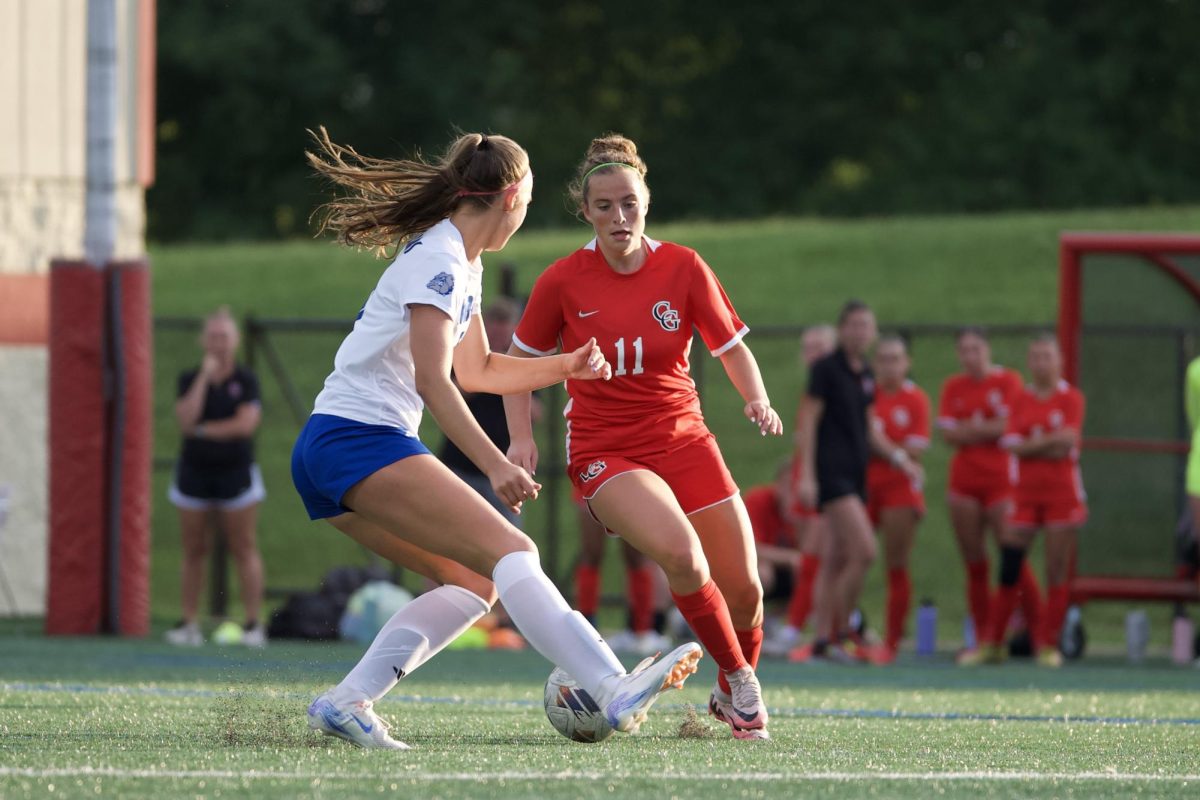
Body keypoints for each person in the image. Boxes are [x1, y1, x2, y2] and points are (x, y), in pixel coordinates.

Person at [293, 128, 701, 750]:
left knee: (474, 580)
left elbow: (477, 370)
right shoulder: (439, 261)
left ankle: (349, 701)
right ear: (512, 196)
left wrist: (564, 366)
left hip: (337, 447)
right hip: (355, 439)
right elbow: (434, 380)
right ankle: (611, 684)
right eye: (531, 202)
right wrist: (494, 461)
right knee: (515, 551)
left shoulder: (462, 263)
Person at [504, 133, 781, 740]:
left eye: (628, 203)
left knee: (747, 592)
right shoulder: (562, 280)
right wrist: (520, 440)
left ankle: (730, 695)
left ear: (646, 202)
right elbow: (516, 365)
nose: (618, 217)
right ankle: (742, 685)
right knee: (682, 555)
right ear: (586, 212)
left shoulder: (683, 266)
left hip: (684, 438)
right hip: (606, 449)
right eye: (604, 206)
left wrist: (755, 398)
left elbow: (732, 348)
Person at [795, 301, 922, 662]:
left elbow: (869, 428)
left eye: (866, 326)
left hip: (856, 473)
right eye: (853, 325)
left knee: (834, 558)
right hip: (833, 475)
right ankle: (841, 631)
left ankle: (822, 639)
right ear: (842, 329)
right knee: (865, 551)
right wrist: (806, 473)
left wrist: (900, 459)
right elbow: (809, 421)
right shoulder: (826, 369)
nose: (860, 332)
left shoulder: (864, 373)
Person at [963, 334, 1086, 668]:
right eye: (1036, 357)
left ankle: (1047, 644)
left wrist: (1033, 443)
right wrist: (1047, 442)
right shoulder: (1020, 397)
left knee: (1056, 569)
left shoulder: (1071, 398)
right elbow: (1012, 443)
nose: (1041, 363)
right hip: (1025, 494)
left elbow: (1067, 442)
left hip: (1062, 493)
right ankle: (992, 642)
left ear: (1059, 361)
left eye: (1047, 356)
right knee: (1010, 565)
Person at [937, 327, 1041, 658]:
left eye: (976, 349)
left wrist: (971, 429)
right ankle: (985, 639)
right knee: (975, 562)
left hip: (1001, 480)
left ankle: (1041, 634)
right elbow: (948, 434)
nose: (971, 356)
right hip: (964, 482)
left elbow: (1010, 426)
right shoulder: (954, 386)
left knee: (1013, 556)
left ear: (988, 350)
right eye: (964, 350)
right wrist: (986, 429)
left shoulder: (1008, 381)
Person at [166, 307, 267, 647]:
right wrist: (202, 382)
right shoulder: (188, 378)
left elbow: (245, 424)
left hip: (235, 473)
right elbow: (184, 420)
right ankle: (188, 623)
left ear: (235, 341)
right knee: (194, 548)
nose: (219, 344)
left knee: (243, 546)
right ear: (203, 341)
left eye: (224, 336)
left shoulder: (246, 380)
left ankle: (253, 625)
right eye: (213, 337)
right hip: (194, 472)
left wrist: (204, 429)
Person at [763, 324, 835, 657]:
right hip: (821, 483)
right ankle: (814, 629)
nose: (813, 354)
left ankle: (826, 628)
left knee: (846, 556)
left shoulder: (839, 385)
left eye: (820, 347)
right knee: (816, 558)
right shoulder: (815, 389)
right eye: (808, 348)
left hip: (836, 484)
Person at [438, 297, 542, 527]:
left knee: (507, 536)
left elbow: (536, 412)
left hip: (505, 466)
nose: (498, 331)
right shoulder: (466, 354)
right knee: (456, 535)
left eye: (505, 324)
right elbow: (446, 393)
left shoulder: (519, 362)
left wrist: (503, 376)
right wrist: (483, 373)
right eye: (494, 324)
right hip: (461, 465)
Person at [866, 335, 930, 663]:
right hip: (864, 483)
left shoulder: (915, 399)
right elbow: (860, 437)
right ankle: (845, 633)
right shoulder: (867, 394)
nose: (889, 365)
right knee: (850, 556)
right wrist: (897, 452)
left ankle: (891, 641)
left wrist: (881, 445)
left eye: (896, 358)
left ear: (907, 363)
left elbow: (917, 449)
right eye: (884, 358)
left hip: (900, 490)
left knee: (896, 562)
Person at [573, 488, 673, 656]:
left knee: (636, 556)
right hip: (590, 476)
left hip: (627, 480)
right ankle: (586, 629)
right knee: (591, 554)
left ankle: (640, 632)